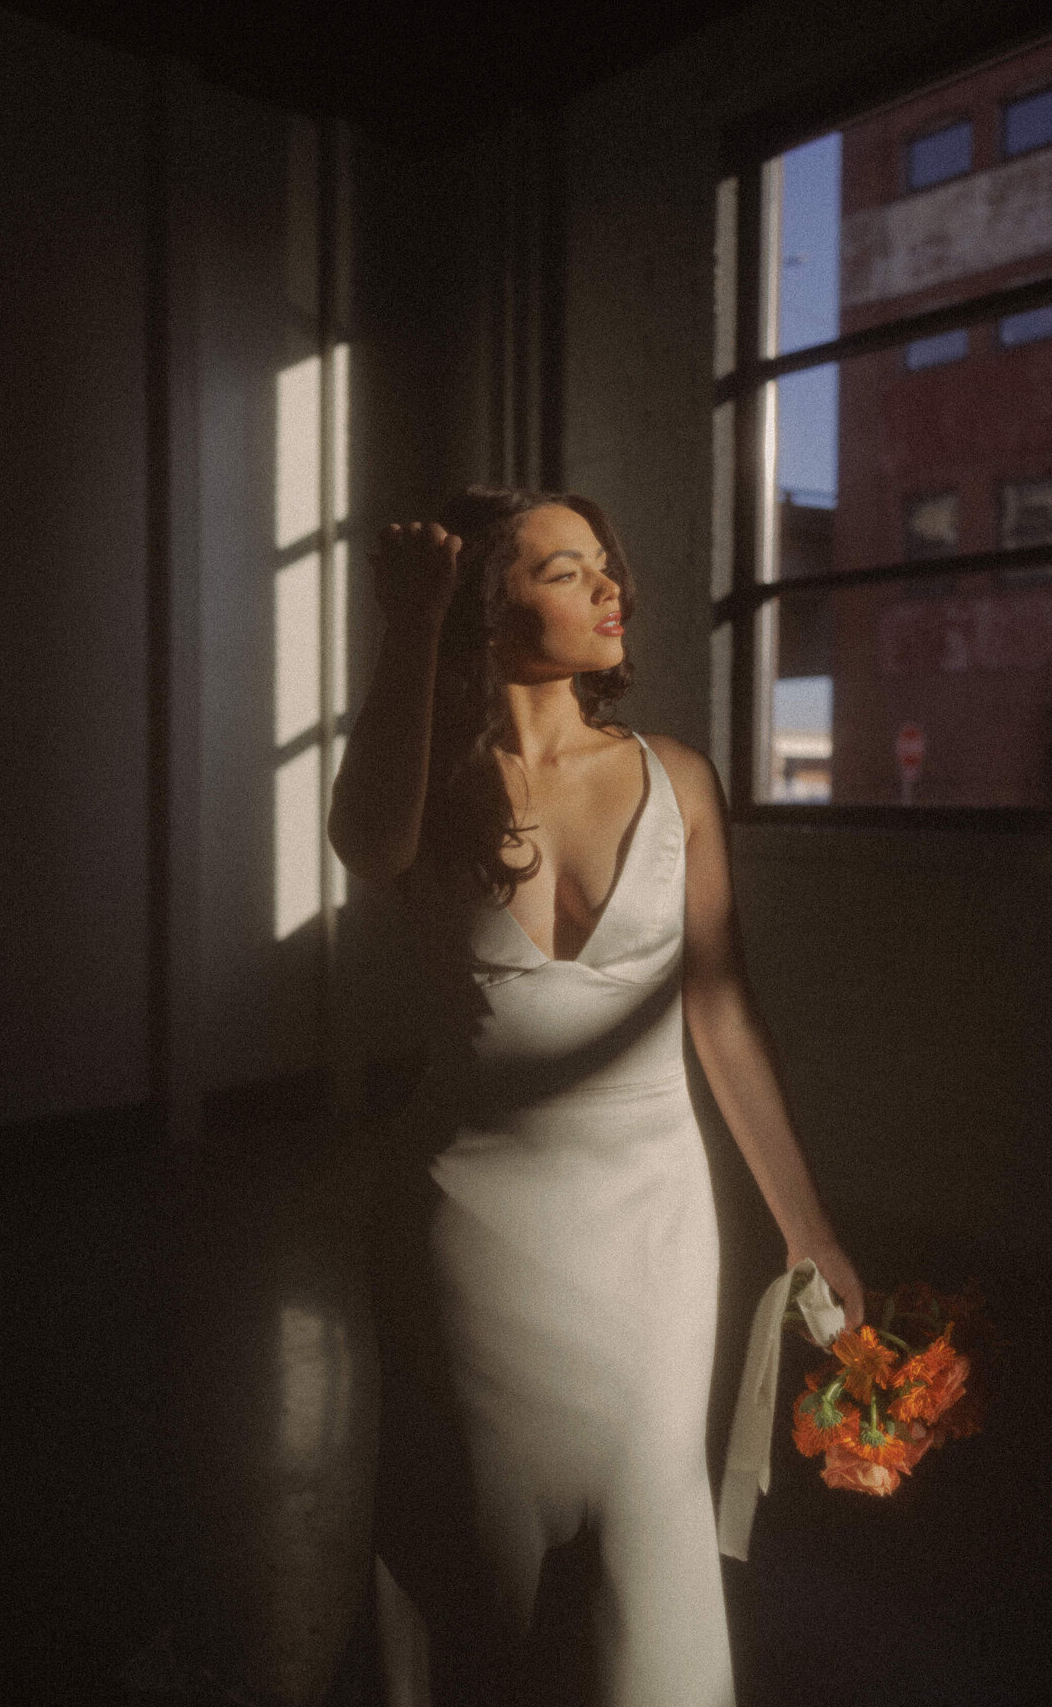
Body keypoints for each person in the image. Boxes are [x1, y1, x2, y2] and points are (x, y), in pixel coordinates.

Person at [327, 486, 864, 1707]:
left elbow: (723, 1015)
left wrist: (808, 1230)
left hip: (653, 1229)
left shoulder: (677, 778)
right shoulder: (432, 782)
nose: (610, 586)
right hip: (469, 1227)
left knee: (648, 1523)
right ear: (486, 607)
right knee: (479, 1549)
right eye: (565, 571)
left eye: (605, 564)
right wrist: (408, 626)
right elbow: (364, 843)